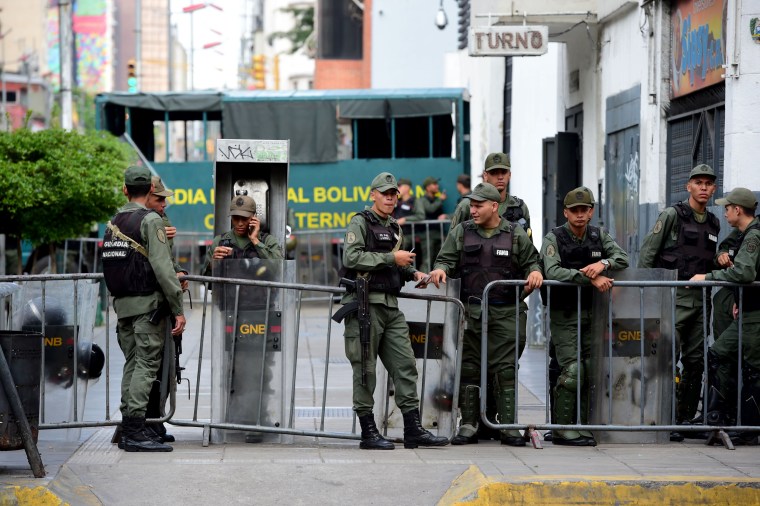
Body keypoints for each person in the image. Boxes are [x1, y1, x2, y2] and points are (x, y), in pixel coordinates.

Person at [423, 182, 543, 447]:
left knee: (505, 370)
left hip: (506, 312)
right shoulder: (462, 232)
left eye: (478, 206)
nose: (473, 210)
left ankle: (507, 424)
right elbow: (445, 259)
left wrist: (535, 272)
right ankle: (468, 423)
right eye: (472, 205)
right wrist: (441, 269)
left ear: (494, 206)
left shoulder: (514, 234)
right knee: (469, 369)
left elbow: (533, 261)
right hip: (471, 313)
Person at [338, 171, 447, 450]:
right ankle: (368, 433)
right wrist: (391, 257)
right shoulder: (360, 222)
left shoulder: (394, 228)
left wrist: (414, 273)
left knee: (406, 365)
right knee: (365, 370)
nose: (389, 197)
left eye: (393, 193)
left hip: (390, 306)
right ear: (372, 194)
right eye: (384, 193)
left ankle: (413, 429)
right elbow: (351, 256)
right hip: (365, 305)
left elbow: (396, 264)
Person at [101, 165, 186, 452]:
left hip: (122, 307)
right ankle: (136, 432)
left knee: (133, 365)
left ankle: (130, 429)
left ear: (125, 189)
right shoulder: (150, 221)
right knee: (146, 366)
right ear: (149, 191)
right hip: (147, 308)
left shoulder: (113, 222)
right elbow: (163, 270)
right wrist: (178, 309)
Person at [541, 187, 629, 446]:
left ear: (591, 212)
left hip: (592, 313)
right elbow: (553, 271)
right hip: (564, 313)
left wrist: (604, 264)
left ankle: (579, 425)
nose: (580, 215)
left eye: (584, 210)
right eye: (575, 211)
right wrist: (590, 279)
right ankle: (562, 429)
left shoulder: (598, 235)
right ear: (566, 212)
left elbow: (622, 257)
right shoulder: (554, 237)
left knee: (590, 369)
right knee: (571, 369)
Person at [638, 164, 719, 440]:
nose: (704, 187)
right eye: (699, 182)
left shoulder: (714, 222)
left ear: (714, 189)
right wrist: (647, 294)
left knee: (696, 361)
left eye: (709, 183)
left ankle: (684, 419)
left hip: (701, 301)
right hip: (673, 297)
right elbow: (649, 252)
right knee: (666, 359)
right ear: (689, 186)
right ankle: (665, 418)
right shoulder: (673, 215)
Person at [690, 188, 760, 445]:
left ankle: (750, 429)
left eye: (728, 207)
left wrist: (707, 277)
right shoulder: (742, 235)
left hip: (755, 316)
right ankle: (721, 418)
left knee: (754, 369)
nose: (725, 211)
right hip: (747, 312)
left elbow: (744, 273)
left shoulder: (753, 237)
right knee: (718, 353)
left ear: (738, 210)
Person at [143, 175, 188, 444]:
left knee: (164, 367)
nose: (163, 205)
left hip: (163, 304)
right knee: (148, 368)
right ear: (146, 196)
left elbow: (169, 262)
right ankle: (145, 424)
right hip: (151, 304)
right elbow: (154, 266)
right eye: (159, 199)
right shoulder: (141, 222)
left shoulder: (161, 221)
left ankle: (156, 420)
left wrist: (180, 273)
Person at [449, 153, 531, 240]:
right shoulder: (468, 205)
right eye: (494, 173)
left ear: (509, 175)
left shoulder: (519, 207)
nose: (500, 177)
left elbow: (528, 247)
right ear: (485, 175)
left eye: (503, 172)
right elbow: (451, 244)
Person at [201, 195, 284, 277]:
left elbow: (279, 271)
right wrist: (213, 265)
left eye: (245, 218)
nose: (240, 223)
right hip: (228, 290)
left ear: (254, 217)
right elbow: (207, 282)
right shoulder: (219, 241)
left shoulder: (267, 241)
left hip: (258, 290)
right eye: (236, 218)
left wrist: (255, 241)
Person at [419, 176, 448, 272]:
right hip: (427, 234)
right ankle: (423, 281)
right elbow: (430, 209)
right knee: (427, 260)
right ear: (427, 187)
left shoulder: (437, 199)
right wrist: (440, 200)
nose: (437, 186)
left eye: (437, 184)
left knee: (441, 258)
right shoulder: (422, 200)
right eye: (434, 184)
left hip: (438, 233)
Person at [392, 177, 424, 254]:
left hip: (410, 235)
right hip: (397, 234)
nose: (397, 189)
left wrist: (405, 219)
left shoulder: (415, 200)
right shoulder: (397, 201)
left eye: (399, 186)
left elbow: (421, 216)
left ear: (407, 187)